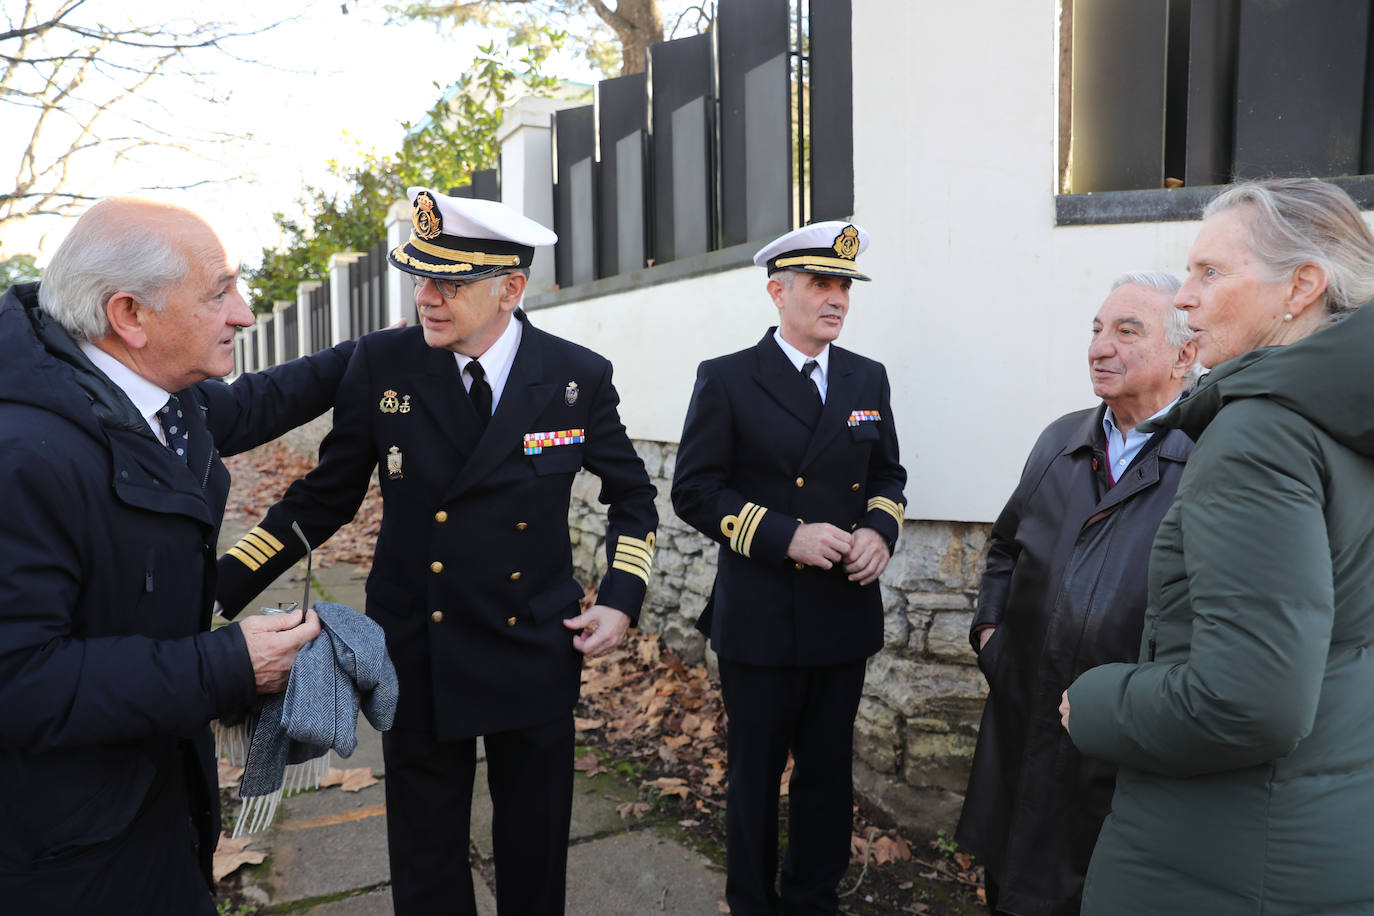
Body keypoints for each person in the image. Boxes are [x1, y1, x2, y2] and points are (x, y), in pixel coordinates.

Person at [214, 187, 658, 916]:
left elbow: (633, 497)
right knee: (425, 858)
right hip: (419, 644)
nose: (426, 297)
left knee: (535, 849)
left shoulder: (576, 377)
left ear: (510, 289)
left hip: (533, 643)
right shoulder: (383, 364)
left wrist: (619, 601)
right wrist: (218, 588)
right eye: (420, 277)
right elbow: (323, 499)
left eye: (448, 283)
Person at [0, 197, 358, 911]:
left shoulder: (145, 392)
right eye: (219, 291)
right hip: (65, 856)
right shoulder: (21, 459)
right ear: (130, 315)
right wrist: (227, 664)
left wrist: (374, 352)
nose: (246, 314)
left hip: (154, 803)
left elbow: (254, 403)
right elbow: (18, 681)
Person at [1063, 177, 1374, 914]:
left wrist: (1097, 701)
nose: (1184, 297)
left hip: (1221, 858)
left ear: (1301, 286)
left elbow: (1250, 702)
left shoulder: (1262, 434)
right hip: (1322, 829)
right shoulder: (1343, 422)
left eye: (1211, 272)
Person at [671, 221, 907, 915]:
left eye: (843, 286)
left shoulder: (868, 376)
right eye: (820, 285)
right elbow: (694, 490)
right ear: (778, 291)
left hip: (841, 614)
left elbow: (888, 474)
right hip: (762, 617)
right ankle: (750, 900)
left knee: (828, 774)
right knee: (755, 777)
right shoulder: (728, 378)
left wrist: (878, 532)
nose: (836, 299)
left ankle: (812, 898)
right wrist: (785, 536)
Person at [953, 273, 1199, 915]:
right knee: (1008, 881)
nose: (1099, 347)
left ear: (1184, 354)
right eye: (1096, 329)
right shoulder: (1061, 439)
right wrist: (991, 638)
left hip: (1124, 744)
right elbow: (1005, 548)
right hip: (1022, 716)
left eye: (1126, 330)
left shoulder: (1211, 456)